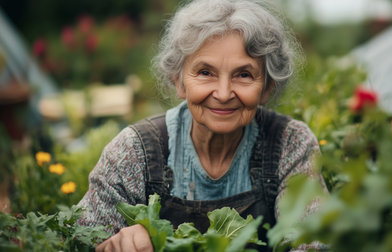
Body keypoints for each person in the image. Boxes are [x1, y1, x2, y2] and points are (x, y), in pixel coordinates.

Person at [78, 0, 327, 251]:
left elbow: (311, 242)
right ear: (179, 81)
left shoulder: (290, 143)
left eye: (244, 74)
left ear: (266, 88)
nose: (223, 93)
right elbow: (80, 239)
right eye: (206, 72)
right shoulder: (133, 152)